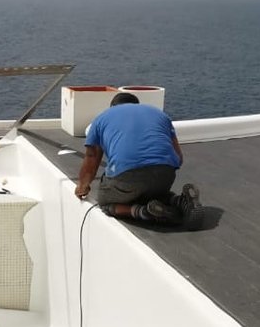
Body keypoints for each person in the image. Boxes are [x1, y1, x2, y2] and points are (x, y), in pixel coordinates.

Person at [73, 93, 203, 227]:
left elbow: (91, 158)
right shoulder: (160, 115)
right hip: (166, 173)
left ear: (112, 106)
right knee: (155, 194)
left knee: (105, 202)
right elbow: (179, 158)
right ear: (137, 105)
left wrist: (82, 186)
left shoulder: (101, 118)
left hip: (128, 177)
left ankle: (144, 212)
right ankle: (180, 201)